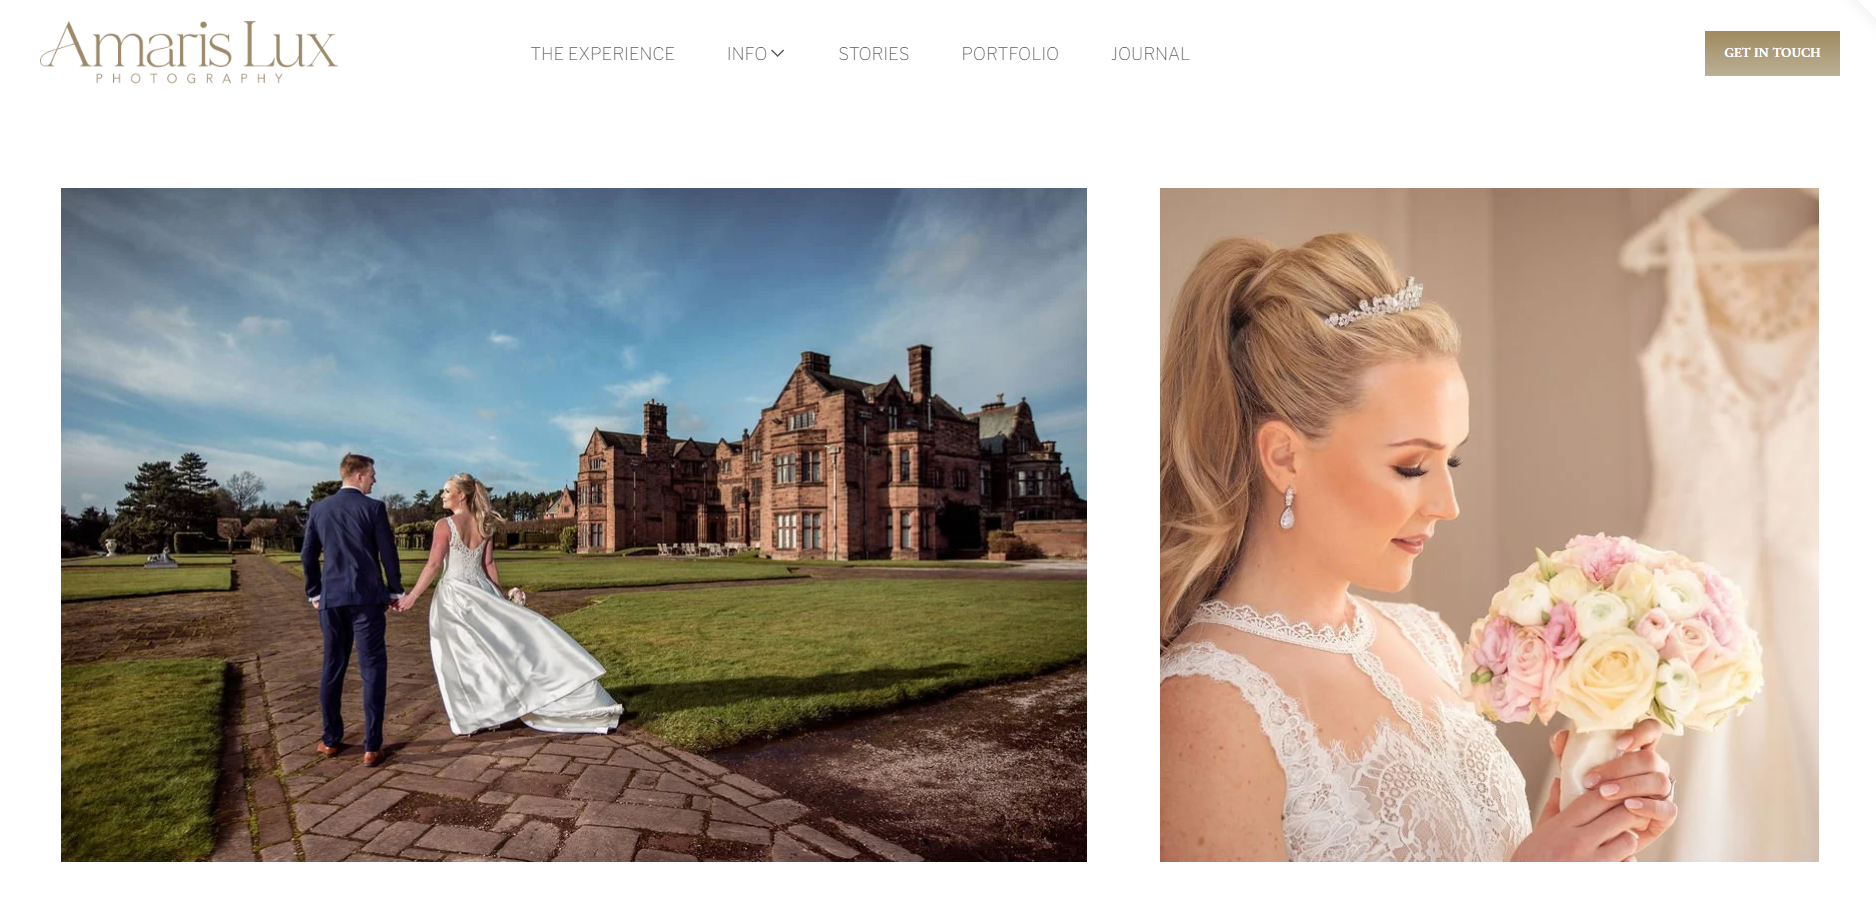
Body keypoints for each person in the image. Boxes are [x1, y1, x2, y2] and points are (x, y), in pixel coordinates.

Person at [1159, 234, 1677, 861]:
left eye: (1451, 459)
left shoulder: (1425, 641)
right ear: (1284, 456)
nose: (1447, 504)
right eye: (1411, 466)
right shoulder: (1206, 708)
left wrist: (1575, 833)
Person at [394, 472, 622, 735]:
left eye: (447, 490)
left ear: (462, 495)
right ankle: (494, 711)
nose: (442, 495)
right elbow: (488, 565)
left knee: (462, 658)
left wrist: (412, 596)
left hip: (455, 596)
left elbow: (434, 564)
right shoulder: (484, 525)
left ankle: (476, 716)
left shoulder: (444, 526)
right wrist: (500, 599)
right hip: (482, 591)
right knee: (494, 653)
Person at [302, 453, 403, 767]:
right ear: (358, 475)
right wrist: (395, 589)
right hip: (367, 599)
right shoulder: (373, 508)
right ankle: (372, 746)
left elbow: (307, 555)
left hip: (332, 600)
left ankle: (331, 740)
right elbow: (388, 554)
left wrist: (314, 592)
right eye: (372, 473)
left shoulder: (319, 509)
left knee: (332, 666)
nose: (375, 478)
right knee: (372, 668)